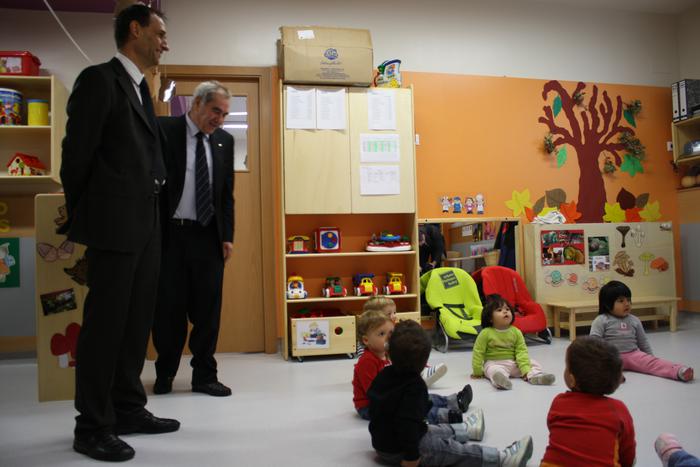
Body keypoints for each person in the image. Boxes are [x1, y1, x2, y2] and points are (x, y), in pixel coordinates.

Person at [59, 4, 178, 462]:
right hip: (113, 225)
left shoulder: (140, 88)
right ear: (135, 30)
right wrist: (86, 216)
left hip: (146, 224)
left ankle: (128, 408)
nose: (165, 42)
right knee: (105, 328)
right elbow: (76, 158)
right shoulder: (99, 81)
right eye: (159, 33)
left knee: (134, 324)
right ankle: (91, 425)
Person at [151, 81, 235, 397]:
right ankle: (165, 374)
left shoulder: (224, 141)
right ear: (197, 103)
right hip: (170, 236)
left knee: (208, 312)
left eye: (224, 114)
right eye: (215, 111)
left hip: (208, 237)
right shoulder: (164, 130)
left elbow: (226, 196)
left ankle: (204, 376)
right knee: (168, 311)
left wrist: (227, 236)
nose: (220, 120)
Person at [368, 320, 533, 467]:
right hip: (403, 450)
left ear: (388, 352)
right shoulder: (415, 387)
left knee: (432, 430)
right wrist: (411, 457)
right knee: (454, 450)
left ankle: (465, 430)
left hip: (384, 444)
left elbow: (376, 408)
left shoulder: (384, 374)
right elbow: (407, 426)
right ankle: (501, 459)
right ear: (424, 363)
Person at [352, 311, 475, 430]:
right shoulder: (367, 362)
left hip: (392, 396)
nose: (388, 338)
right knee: (411, 409)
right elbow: (374, 393)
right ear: (366, 340)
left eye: (391, 334)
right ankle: (446, 416)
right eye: (381, 334)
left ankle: (455, 402)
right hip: (370, 406)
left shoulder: (387, 354)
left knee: (424, 397)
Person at [541, 336, 636, 467]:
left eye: (567, 366)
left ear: (572, 380)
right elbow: (628, 454)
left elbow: (555, 430)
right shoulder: (618, 409)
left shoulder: (559, 402)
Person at [590, 280, 694, 382]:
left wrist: (650, 359)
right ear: (607, 304)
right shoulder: (601, 320)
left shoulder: (634, 320)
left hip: (633, 355)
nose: (627, 304)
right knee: (596, 366)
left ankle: (678, 371)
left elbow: (643, 341)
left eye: (628, 300)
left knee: (656, 363)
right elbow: (594, 343)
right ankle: (614, 376)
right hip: (612, 356)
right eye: (621, 301)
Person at [471, 294, 555, 390]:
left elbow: (521, 351)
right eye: (499, 310)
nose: (505, 311)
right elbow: (478, 352)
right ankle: (501, 380)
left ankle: (534, 376)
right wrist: (477, 371)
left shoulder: (516, 332)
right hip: (494, 363)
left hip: (514, 363)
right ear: (490, 318)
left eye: (507, 309)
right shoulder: (485, 333)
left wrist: (525, 369)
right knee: (491, 370)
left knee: (533, 363)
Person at [361, 296, 448, 387]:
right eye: (389, 314)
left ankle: (422, 370)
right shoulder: (370, 335)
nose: (394, 316)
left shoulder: (394, 327)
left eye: (394, 312)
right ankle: (417, 376)